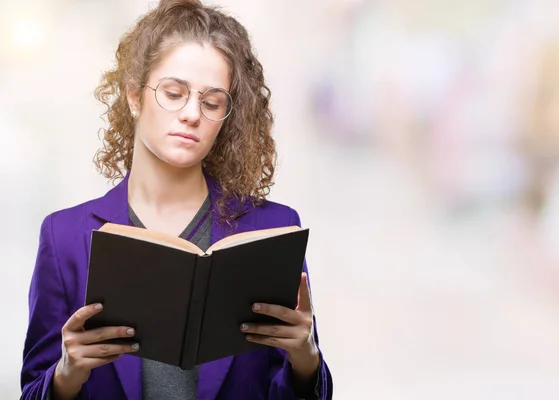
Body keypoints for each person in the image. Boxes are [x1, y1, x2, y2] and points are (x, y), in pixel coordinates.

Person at [19, 1, 333, 399]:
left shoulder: (271, 230)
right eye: (174, 93)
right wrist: (66, 375)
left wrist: (305, 361)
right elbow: (31, 389)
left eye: (212, 102)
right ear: (134, 96)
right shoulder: (64, 236)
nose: (191, 114)